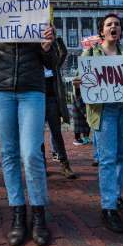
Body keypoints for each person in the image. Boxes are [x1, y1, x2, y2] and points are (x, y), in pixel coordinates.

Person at [0, 0, 56, 246]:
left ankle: (39, 214)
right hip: (2, 90)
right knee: (9, 153)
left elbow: (53, 63)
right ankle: (18, 214)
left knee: (31, 152)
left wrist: (47, 46)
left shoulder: (40, 21)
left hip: (32, 89)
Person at [79, 13, 123, 233]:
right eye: (109, 24)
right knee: (107, 159)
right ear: (102, 31)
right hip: (105, 111)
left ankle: (117, 196)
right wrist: (79, 80)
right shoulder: (91, 52)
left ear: (121, 30)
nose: (114, 27)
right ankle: (108, 207)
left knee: (122, 156)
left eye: (117, 24)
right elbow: (81, 77)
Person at [41, 36, 77, 179]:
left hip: (51, 98)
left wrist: (55, 38)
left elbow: (63, 53)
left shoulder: (54, 63)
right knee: (37, 135)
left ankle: (65, 164)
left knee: (56, 132)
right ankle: (41, 166)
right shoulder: (34, 56)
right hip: (36, 97)